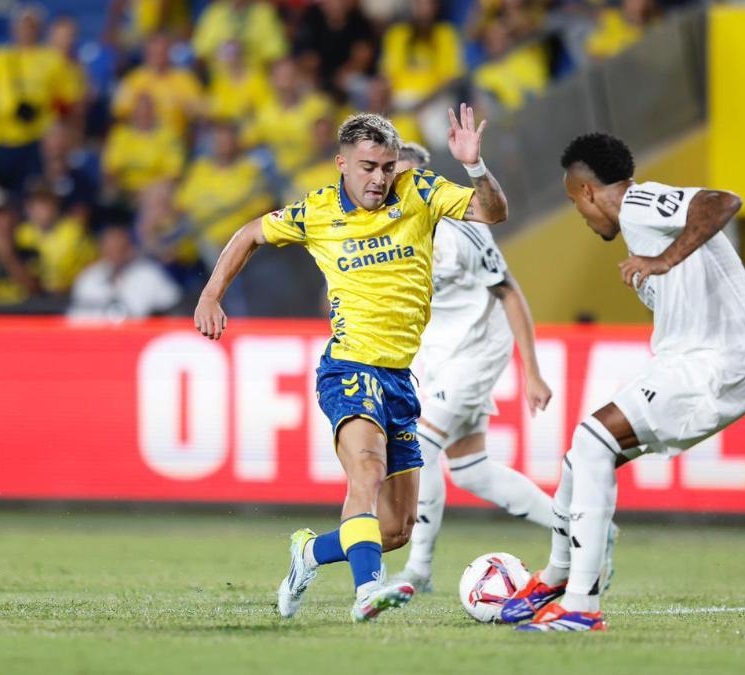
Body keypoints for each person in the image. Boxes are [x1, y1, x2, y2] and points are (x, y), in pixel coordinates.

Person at [194, 105, 509, 622]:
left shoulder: (421, 192)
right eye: (368, 167)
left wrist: (474, 165)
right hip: (348, 367)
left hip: (399, 377)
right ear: (342, 163)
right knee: (367, 471)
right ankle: (368, 592)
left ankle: (309, 552)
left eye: (387, 166)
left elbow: (492, 212)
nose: (379, 178)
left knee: (396, 528)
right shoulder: (317, 211)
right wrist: (211, 295)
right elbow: (250, 232)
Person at [504, 133, 745, 632]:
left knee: (591, 442)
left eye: (574, 203)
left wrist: (663, 260)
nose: (581, 216)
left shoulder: (639, 203)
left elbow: (722, 201)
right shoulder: (642, 225)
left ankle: (581, 605)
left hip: (716, 361)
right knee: (581, 459)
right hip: (705, 361)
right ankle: (556, 578)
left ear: (586, 191)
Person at [387, 142, 613, 593]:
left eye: (410, 176)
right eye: (394, 176)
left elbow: (509, 292)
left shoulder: (459, 228)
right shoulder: (388, 229)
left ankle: (419, 569)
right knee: (471, 469)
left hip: (478, 349)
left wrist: (532, 372)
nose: (400, 185)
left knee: (419, 446)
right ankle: (586, 530)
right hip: (440, 354)